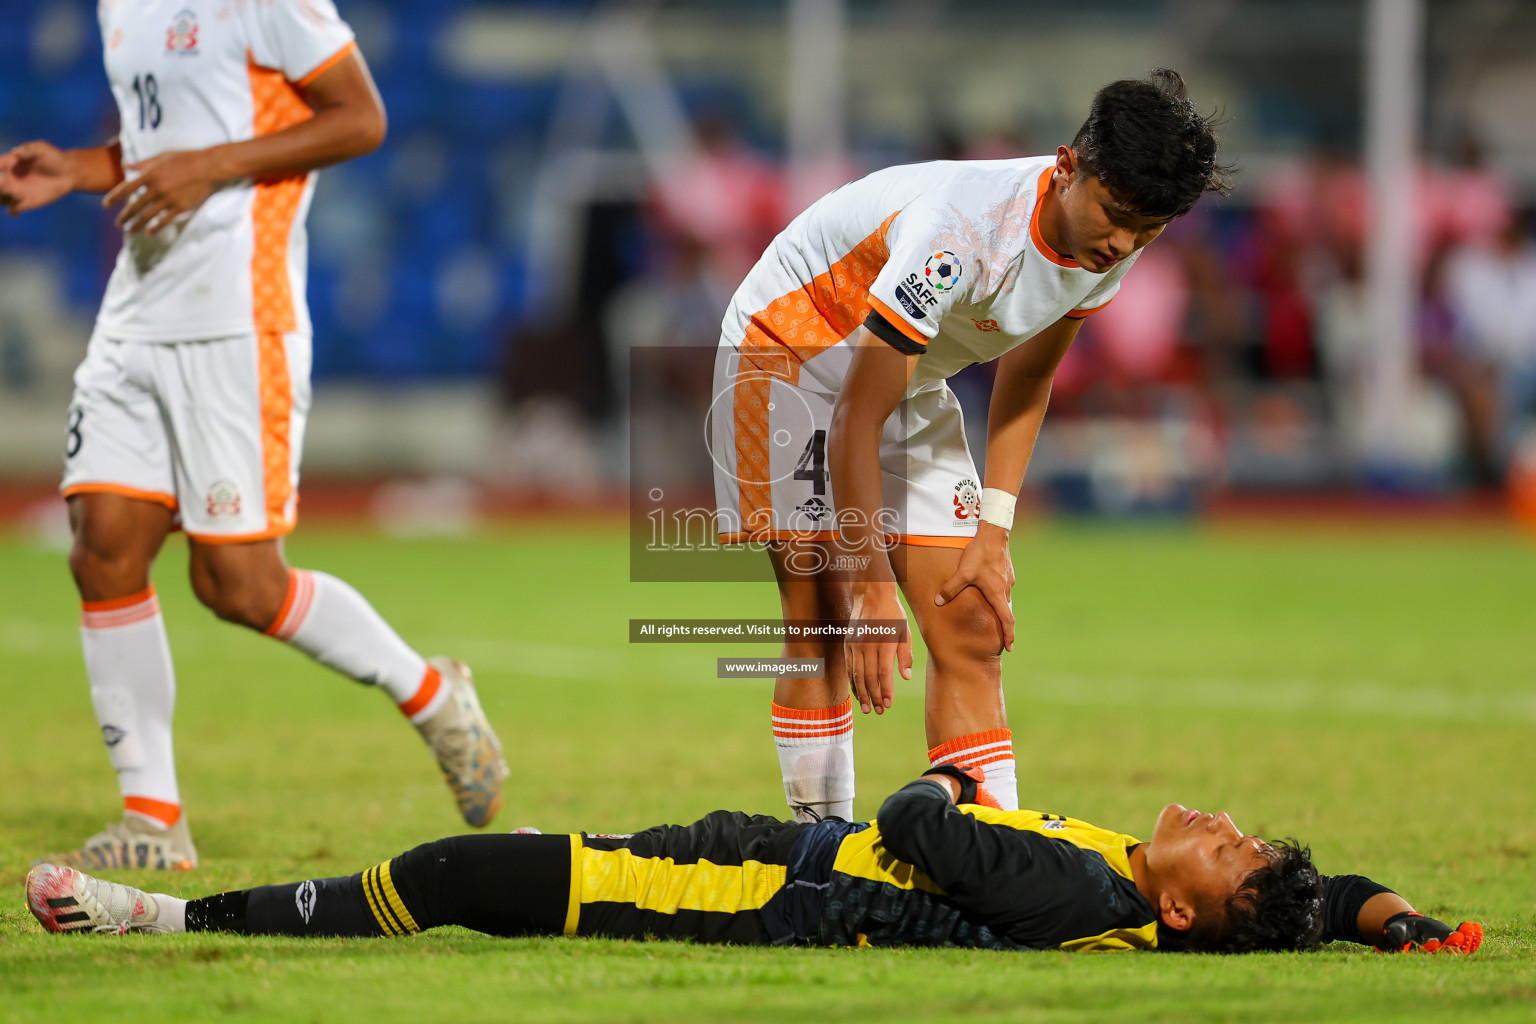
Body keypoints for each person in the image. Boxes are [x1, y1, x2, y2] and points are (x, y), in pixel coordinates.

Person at [0, 0, 506, 871]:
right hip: (136, 313)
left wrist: (210, 167)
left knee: (237, 583)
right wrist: (82, 169)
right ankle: (154, 820)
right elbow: (171, 143)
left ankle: (429, 692)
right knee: (103, 547)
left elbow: (360, 116)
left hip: (239, 319)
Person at [709, 70, 1228, 820]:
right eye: (1116, 217)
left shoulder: (1113, 240)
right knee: (826, 615)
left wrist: (994, 529)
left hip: (899, 375)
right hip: (784, 356)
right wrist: (873, 585)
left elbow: (1028, 376)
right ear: (1067, 166)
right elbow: (855, 415)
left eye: (1147, 233)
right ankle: (822, 858)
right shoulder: (955, 234)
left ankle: (996, 858)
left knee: (972, 620)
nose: (1123, 244)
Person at [26, 766, 1482, 956]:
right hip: (756, 858)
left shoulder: (1086, 898)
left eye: (1225, 855)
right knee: (470, 875)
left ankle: (151, 915)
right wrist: (1394, 921)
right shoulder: (1129, 880)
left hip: (745, 896)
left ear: (1180, 906)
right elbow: (1322, 892)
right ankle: (154, 909)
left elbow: (917, 823)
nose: (1223, 822)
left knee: (460, 879)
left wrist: (949, 783)